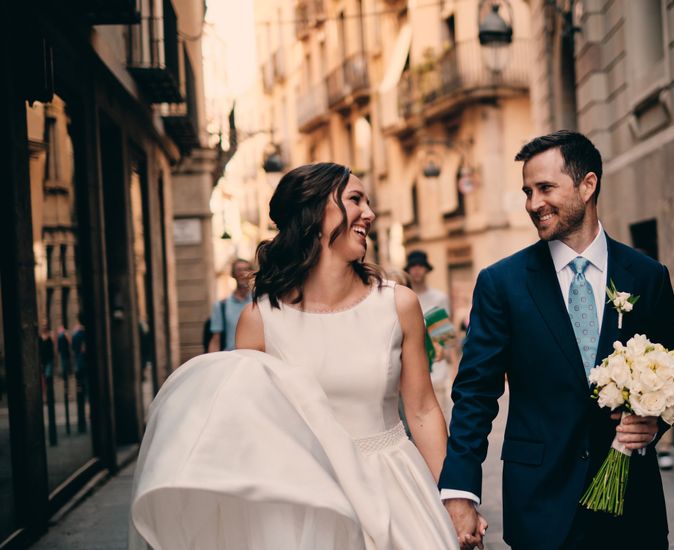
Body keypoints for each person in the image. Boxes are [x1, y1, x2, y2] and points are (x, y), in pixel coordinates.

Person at [130, 163, 478, 549]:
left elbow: (423, 410)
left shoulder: (398, 303)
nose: (370, 213)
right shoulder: (259, 319)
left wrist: (455, 496)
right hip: (305, 498)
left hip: (394, 487)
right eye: (354, 200)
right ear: (314, 214)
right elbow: (246, 428)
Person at [440, 131, 674, 549]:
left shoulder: (647, 276)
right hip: (541, 504)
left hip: (632, 504)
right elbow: (475, 394)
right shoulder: (502, 283)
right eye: (527, 191)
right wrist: (460, 490)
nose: (533, 203)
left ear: (588, 185)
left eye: (546, 188)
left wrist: (651, 422)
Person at [405, 250, 454, 416]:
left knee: (439, 419)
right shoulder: (403, 297)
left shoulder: (438, 298)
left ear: (426, 269)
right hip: (410, 375)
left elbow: (446, 338)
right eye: (413, 266)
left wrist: (454, 372)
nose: (417, 270)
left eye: (420, 266)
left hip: (436, 371)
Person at [207, 258, 253, 352]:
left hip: (254, 359)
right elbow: (216, 340)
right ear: (233, 274)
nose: (243, 273)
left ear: (251, 273)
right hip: (231, 360)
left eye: (246, 269)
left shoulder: (260, 302)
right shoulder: (220, 306)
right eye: (239, 270)